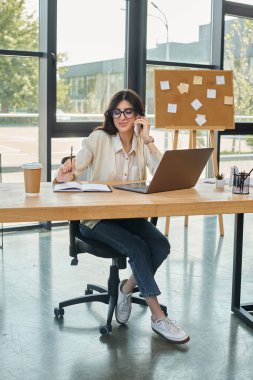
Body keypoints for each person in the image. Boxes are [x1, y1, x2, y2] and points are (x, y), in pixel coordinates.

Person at [55, 89, 190, 344]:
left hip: (128, 217)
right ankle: (158, 316)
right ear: (111, 114)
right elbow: (75, 170)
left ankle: (126, 289)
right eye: (117, 112)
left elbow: (164, 174)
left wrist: (148, 139)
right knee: (138, 247)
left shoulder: (141, 141)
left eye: (128, 111)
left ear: (138, 115)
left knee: (161, 244)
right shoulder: (98, 138)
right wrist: (65, 174)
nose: (122, 116)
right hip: (95, 220)